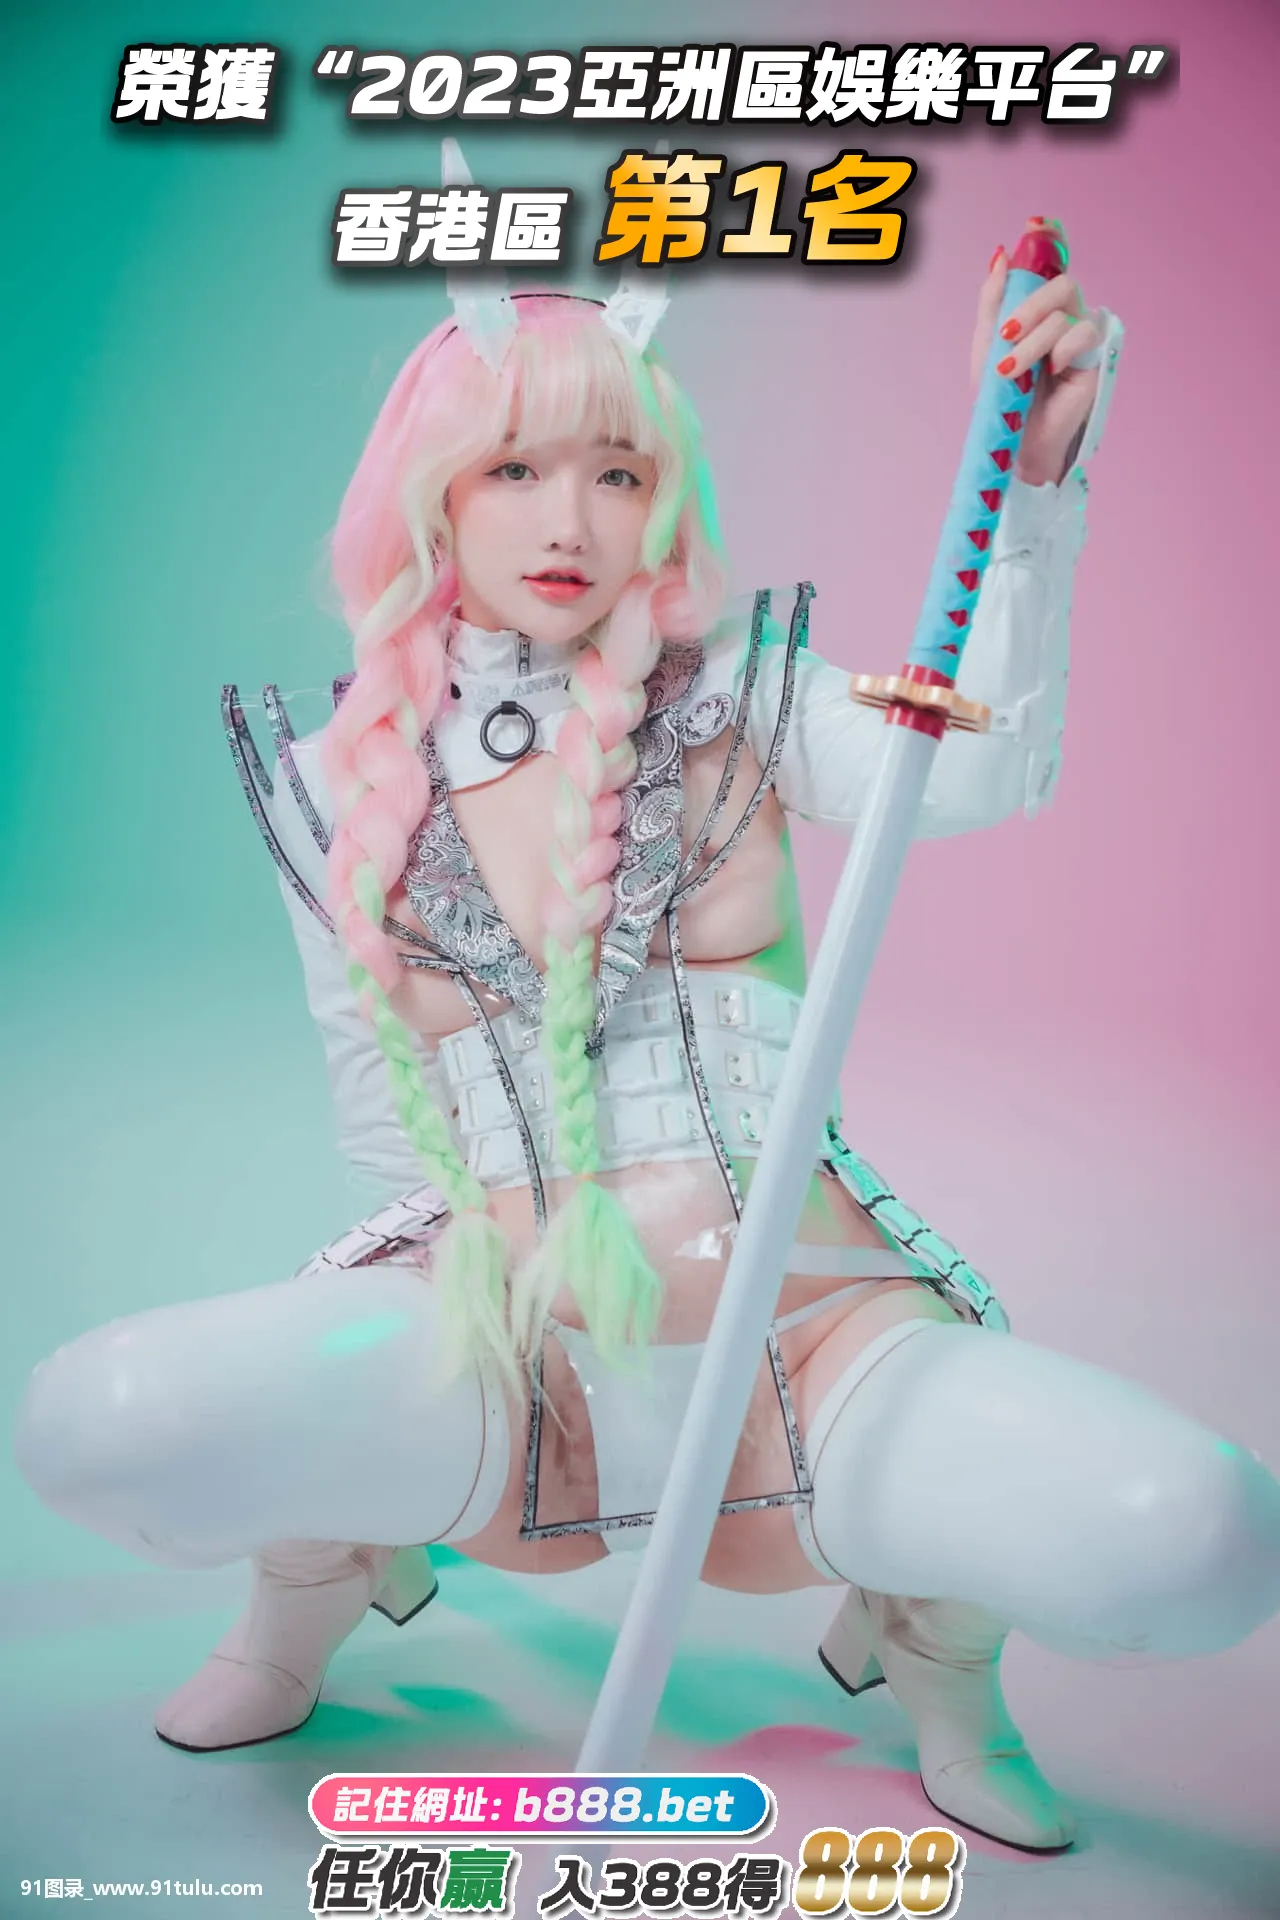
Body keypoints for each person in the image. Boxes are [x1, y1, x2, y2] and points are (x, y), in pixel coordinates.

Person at [14, 214, 1280, 1858]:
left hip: (809, 1336)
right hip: (500, 1342)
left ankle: (942, 1654)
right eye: (516, 469)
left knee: (1199, 1532)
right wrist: (393, 1361)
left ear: (662, 497)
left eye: (616, 472)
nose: (570, 519)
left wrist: (1033, 498)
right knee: (103, 1416)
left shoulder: (755, 691)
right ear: (434, 493)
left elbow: (978, 767)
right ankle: (309, 1580)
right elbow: (380, 1111)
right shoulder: (339, 775)